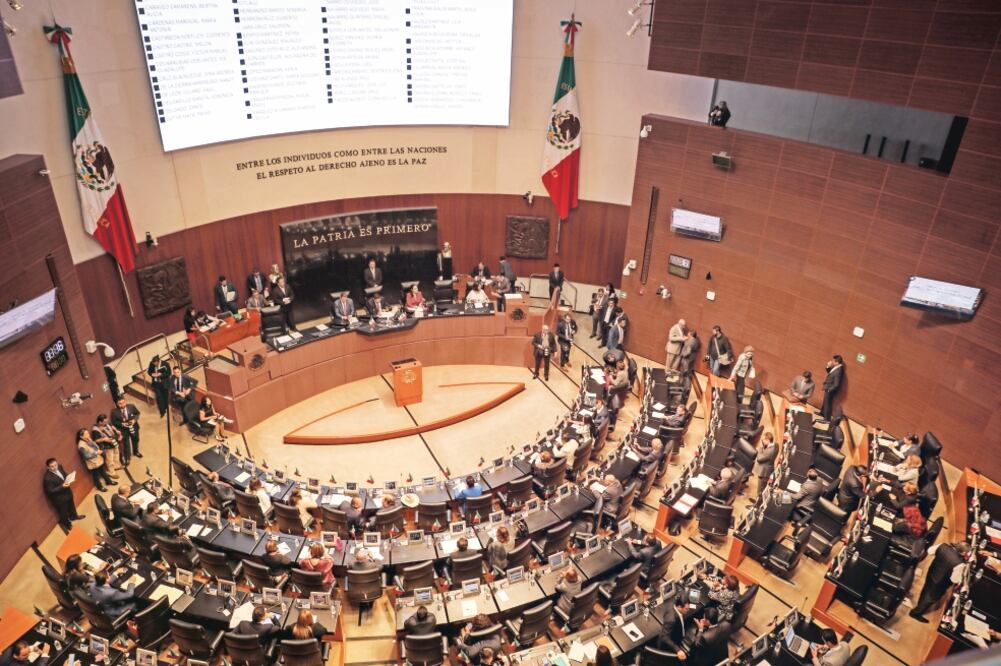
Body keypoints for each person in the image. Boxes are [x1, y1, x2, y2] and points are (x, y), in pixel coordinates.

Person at [909, 542, 970, 622]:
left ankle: (920, 604)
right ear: (964, 553)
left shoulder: (943, 546)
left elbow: (930, 551)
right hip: (941, 582)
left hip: (932, 572)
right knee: (932, 598)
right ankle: (916, 613)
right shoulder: (959, 563)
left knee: (926, 588)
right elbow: (954, 580)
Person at [111, 397, 142, 462]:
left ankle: (136, 451)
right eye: (120, 404)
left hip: (134, 427)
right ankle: (127, 458)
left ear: (125, 401)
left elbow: (137, 413)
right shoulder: (114, 412)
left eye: (123, 402)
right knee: (126, 444)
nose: (122, 405)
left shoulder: (131, 406)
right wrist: (122, 424)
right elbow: (114, 422)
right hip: (124, 430)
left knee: (136, 440)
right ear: (117, 404)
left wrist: (134, 420)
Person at [821, 355, 844, 419]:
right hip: (828, 387)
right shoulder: (836, 367)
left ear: (837, 362)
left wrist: (829, 390)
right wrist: (828, 366)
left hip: (830, 389)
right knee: (825, 401)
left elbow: (836, 384)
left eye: (833, 361)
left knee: (828, 403)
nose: (832, 362)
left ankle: (827, 418)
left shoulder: (839, 370)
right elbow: (830, 373)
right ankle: (822, 413)